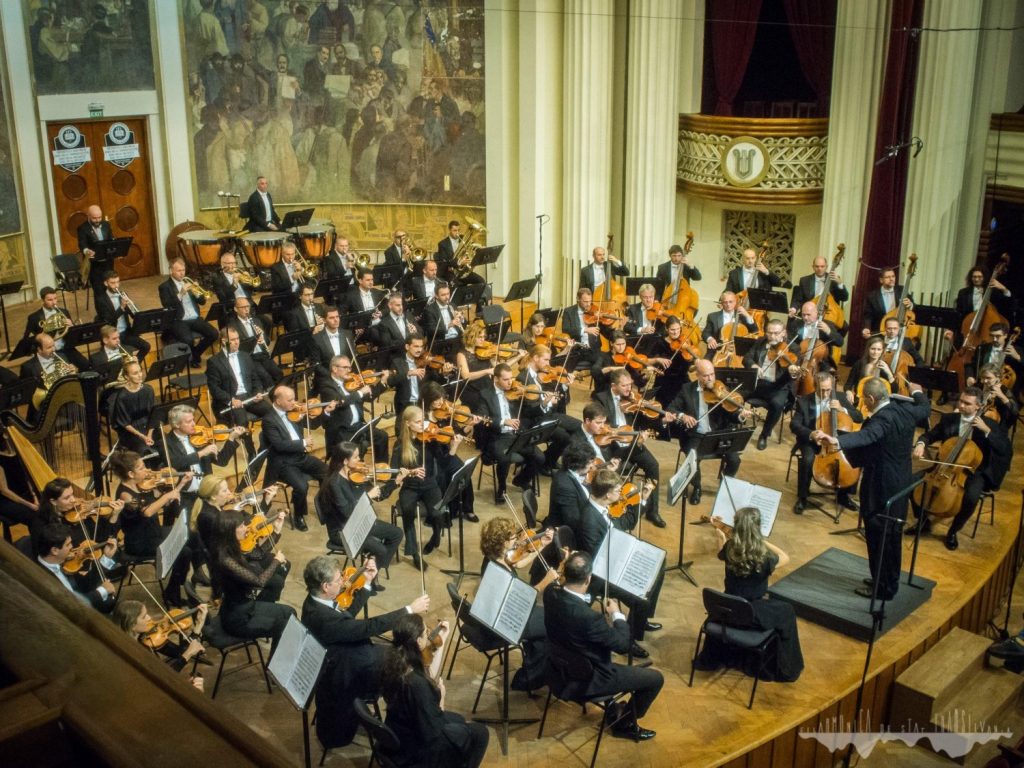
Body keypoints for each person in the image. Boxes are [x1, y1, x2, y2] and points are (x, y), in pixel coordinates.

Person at [813, 378, 931, 599]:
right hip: (900, 480)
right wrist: (917, 391)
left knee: (880, 536)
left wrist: (836, 441)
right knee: (892, 537)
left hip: (881, 485)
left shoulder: (883, 419)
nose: (862, 403)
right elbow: (924, 407)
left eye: (863, 399)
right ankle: (886, 580)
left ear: (871, 398)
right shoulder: (905, 409)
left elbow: (869, 435)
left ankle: (883, 588)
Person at [301, 555, 430, 750]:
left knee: (395, 654)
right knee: (402, 662)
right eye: (339, 580)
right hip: (346, 671)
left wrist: (367, 583)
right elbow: (368, 627)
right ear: (326, 586)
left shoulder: (315, 600)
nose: (344, 581)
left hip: (351, 654)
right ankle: (404, 721)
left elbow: (348, 618)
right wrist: (409, 609)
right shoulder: (322, 617)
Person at [543, 550, 663, 741]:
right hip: (590, 679)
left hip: (557, 670)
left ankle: (614, 709)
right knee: (655, 679)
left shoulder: (550, 593)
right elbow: (623, 645)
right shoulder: (590, 619)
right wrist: (617, 615)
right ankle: (624, 724)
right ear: (588, 579)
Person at [697, 507, 803, 682]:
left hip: (728, 609)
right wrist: (762, 540)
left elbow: (721, 552)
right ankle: (787, 669)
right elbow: (785, 556)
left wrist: (720, 535)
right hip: (750, 612)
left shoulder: (730, 548)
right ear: (757, 528)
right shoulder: (765, 558)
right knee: (787, 611)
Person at [379, 613, 489, 768]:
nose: (429, 634)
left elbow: (427, 674)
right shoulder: (416, 685)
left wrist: (442, 642)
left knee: (458, 720)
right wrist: (441, 699)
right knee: (480, 733)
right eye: (425, 633)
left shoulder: (394, 661)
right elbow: (434, 733)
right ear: (418, 642)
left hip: (400, 730)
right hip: (416, 751)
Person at [908, 386, 1012, 551]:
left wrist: (986, 431)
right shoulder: (949, 419)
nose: (961, 406)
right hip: (944, 465)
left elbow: (1004, 449)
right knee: (912, 483)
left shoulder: (990, 424)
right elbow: (930, 435)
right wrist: (921, 444)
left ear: (978, 406)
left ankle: (952, 531)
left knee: (971, 497)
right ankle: (923, 522)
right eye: (960, 401)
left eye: (967, 403)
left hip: (973, 470)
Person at [480, 517, 565, 690]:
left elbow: (517, 563)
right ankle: (529, 678)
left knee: (546, 624)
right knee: (555, 623)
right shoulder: (501, 573)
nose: (518, 540)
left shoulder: (493, 559)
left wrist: (541, 545)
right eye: (513, 538)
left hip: (499, 613)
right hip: (506, 622)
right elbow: (524, 599)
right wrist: (546, 581)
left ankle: (532, 672)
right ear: (504, 543)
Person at [664, 359, 754, 506]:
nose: (711, 379)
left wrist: (741, 415)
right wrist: (683, 416)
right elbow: (671, 409)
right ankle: (697, 487)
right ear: (697, 375)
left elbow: (731, 413)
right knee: (693, 459)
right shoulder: (687, 389)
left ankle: (724, 482)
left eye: (712, 374)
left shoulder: (721, 390)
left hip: (718, 434)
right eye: (706, 375)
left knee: (734, 460)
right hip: (696, 435)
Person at [111, 450, 196, 607]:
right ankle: (173, 590)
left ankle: (179, 584)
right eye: (142, 468)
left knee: (191, 538)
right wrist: (166, 497)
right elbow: (147, 511)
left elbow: (163, 499)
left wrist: (182, 483)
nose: (148, 471)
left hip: (154, 532)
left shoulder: (141, 485)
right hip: (140, 542)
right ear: (130, 473)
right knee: (185, 552)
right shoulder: (124, 494)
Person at [207, 509, 294, 656]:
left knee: (290, 613)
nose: (246, 528)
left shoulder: (231, 548)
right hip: (238, 619)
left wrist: (276, 532)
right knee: (286, 624)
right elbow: (259, 582)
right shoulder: (226, 560)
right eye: (241, 526)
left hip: (245, 607)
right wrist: (276, 561)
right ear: (229, 532)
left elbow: (257, 555)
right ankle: (274, 666)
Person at [316, 442, 405, 572]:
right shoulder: (334, 483)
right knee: (380, 549)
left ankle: (373, 568)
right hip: (343, 530)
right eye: (356, 457)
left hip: (361, 521)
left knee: (397, 533)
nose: (360, 460)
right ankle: (371, 574)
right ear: (345, 461)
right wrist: (368, 497)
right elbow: (347, 512)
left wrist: (395, 483)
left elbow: (379, 496)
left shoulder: (357, 476)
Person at [592, 369, 664, 527]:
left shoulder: (633, 398)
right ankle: (613, 511)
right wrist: (618, 430)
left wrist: (644, 411)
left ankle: (653, 510)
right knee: (611, 472)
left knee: (653, 465)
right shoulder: (600, 398)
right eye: (624, 386)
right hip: (612, 444)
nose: (629, 389)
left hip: (633, 442)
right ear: (614, 386)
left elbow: (645, 422)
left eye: (630, 385)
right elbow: (601, 426)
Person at [261, 384, 336, 532]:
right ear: (278, 401)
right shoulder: (268, 420)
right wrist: (303, 442)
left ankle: (324, 507)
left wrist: (325, 412)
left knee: (328, 472)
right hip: (284, 462)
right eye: (290, 400)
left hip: (301, 456)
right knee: (302, 486)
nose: (294, 402)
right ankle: (299, 515)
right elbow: (279, 445)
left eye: (294, 398)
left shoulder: (293, 412)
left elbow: (313, 425)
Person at [790, 371, 862, 515]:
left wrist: (843, 409)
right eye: (822, 390)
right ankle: (802, 497)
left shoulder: (840, 397)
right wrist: (811, 433)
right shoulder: (804, 401)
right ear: (815, 386)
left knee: (854, 456)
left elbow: (859, 417)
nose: (826, 393)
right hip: (812, 441)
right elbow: (794, 425)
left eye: (829, 390)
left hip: (836, 441)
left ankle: (843, 496)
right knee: (807, 460)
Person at [391, 406, 451, 568]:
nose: (422, 425)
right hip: (410, 487)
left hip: (430, 484)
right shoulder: (400, 444)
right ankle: (415, 554)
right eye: (418, 422)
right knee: (408, 513)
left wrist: (454, 447)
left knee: (437, 512)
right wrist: (409, 472)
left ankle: (436, 534)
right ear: (408, 423)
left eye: (423, 421)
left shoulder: (430, 439)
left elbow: (444, 462)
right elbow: (393, 471)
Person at [476, 364, 545, 505]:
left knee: (540, 457)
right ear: (496, 379)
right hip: (497, 437)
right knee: (504, 458)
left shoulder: (516, 391)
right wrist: (503, 421)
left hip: (516, 434)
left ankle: (521, 480)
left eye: (511, 378)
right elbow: (483, 418)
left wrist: (544, 403)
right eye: (506, 379)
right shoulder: (485, 394)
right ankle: (502, 488)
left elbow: (530, 413)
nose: (510, 382)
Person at [164, 404, 245, 515]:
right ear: (176, 424)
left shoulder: (199, 437)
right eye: (188, 422)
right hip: (185, 494)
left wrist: (231, 438)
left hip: (206, 490)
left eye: (193, 420)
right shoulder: (166, 443)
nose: (194, 424)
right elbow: (175, 463)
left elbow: (221, 461)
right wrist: (201, 453)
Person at [112, 600, 208, 690]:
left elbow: (178, 652)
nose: (149, 618)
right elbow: (163, 677)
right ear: (132, 625)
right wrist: (188, 654)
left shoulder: (144, 637)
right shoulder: (131, 653)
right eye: (144, 616)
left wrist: (199, 624)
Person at [35, 521, 118, 613]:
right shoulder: (42, 577)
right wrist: (102, 590)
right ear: (55, 551)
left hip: (79, 597)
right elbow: (70, 604)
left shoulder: (62, 563)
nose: (72, 547)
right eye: (68, 544)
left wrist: (106, 557)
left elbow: (85, 584)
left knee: (111, 603)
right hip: (72, 612)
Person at [318, 355, 390, 460]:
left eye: (349, 368)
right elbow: (340, 402)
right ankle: (355, 470)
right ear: (334, 368)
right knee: (358, 448)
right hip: (342, 431)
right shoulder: (327, 386)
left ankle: (381, 471)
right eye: (345, 367)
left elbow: (369, 397)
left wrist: (382, 382)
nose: (349, 370)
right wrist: (360, 392)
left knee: (382, 436)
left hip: (358, 426)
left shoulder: (352, 383)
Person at [743, 318, 797, 450]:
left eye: (776, 333)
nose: (772, 336)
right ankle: (733, 422)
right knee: (735, 393)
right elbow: (747, 358)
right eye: (769, 333)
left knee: (777, 405)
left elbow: (793, 373)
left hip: (778, 387)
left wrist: (791, 370)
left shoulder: (793, 347)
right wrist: (754, 365)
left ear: (783, 333)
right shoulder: (761, 341)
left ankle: (764, 435)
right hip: (758, 383)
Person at [158, 257, 218, 368]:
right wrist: (180, 294)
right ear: (171, 271)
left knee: (214, 334)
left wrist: (197, 292)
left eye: (183, 270)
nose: (182, 273)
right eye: (178, 271)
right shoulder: (164, 287)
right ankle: (193, 358)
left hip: (195, 317)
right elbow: (167, 305)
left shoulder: (188, 283)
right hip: (178, 320)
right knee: (188, 340)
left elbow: (202, 302)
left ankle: (195, 353)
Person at [22, 287, 90, 372]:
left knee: (86, 365)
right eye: (50, 300)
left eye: (55, 298)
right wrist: (41, 335)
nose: (54, 302)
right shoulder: (34, 317)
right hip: (49, 352)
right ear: (43, 300)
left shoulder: (64, 312)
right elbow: (27, 338)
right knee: (65, 371)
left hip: (66, 348)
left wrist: (72, 326)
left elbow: (72, 335)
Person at [94, 272, 151, 361]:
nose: (116, 286)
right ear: (106, 283)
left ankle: (134, 365)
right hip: (112, 336)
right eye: (113, 283)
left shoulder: (122, 294)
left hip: (126, 333)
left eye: (118, 282)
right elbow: (108, 320)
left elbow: (133, 314)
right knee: (122, 358)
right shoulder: (100, 300)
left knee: (146, 346)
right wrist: (121, 308)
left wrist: (134, 310)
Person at [228, 296, 282, 382]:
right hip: (249, 357)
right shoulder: (233, 326)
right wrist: (251, 342)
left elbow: (267, 342)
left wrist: (263, 337)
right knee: (265, 376)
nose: (246, 309)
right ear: (235, 309)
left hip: (262, 354)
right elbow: (235, 347)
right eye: (243, 307)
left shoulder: (256, 321)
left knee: (278, 372)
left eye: (248, 306)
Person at [307, 305, 356, 390]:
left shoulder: (347, 334)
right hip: (327, 378)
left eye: (337, 317)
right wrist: (333, 375)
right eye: (331, 318)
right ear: (324, 320)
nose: (336, 320)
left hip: (346, 375)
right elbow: (316, 365)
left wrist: (347, 372)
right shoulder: (316, 339)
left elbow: (353, 356)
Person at [860, 268, 913, 339]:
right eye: (888, 277)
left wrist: (910, 305)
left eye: (893, 276)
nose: (891, 279)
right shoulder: (872, 296)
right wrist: (867, 328)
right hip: (880, 331)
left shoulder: (902, 290)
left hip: (899, 330)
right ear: (881, 280)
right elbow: (868, 315)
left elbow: (914, 306)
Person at [702, 291, 758, 358]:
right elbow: (706, 332)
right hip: (717, 351)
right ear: (722, 303)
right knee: (704, 365)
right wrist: (710, 339)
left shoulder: (743, 317)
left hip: (737, 353)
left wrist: (747, 315)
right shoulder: (713, 316)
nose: (728, 304)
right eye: (725, 302)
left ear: (735, 302)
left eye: (730, 302)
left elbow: (755, 331)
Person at [561, 287, 604, 372]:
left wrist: (609, 323)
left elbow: (604, 330)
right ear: (578, 299)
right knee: (564, 367)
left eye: (590, 301)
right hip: (576, 349)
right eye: (585, 301)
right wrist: (584, 330)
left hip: (593, 350)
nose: (588, 304)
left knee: (602, 367)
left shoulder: (594, 311)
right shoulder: (568, 312)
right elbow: (566, 330)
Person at [77, 204, 115, 298]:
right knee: (99, 292)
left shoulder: (106, 224)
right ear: (88, 216)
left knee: (111, 288)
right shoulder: (82, 228)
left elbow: (111, 238)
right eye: (94, 218)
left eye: (99, 217)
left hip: (108, 262)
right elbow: (82, 244)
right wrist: (86, 251)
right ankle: (102, 311)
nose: (98, 220)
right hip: (94, 265)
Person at [655, 243, 702, 315]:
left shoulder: (686, 266)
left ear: (682, 256)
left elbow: (698, 278)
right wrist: (657, 300)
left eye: (679, 256)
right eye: (674, 256)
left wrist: (691, 266)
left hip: (683, 299)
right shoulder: (662, 268)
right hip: (668, 298)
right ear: (670, 256)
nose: (677, 258)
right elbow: (658, 286)